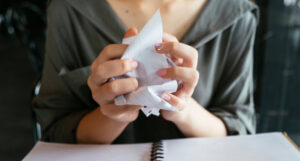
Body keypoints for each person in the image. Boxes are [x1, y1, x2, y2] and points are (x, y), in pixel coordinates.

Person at [33, 0, 259, 144]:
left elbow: (240, 131)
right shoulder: (71, 9)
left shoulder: (235, 15)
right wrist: (111, 114)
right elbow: (55, 131)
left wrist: (182, 109)